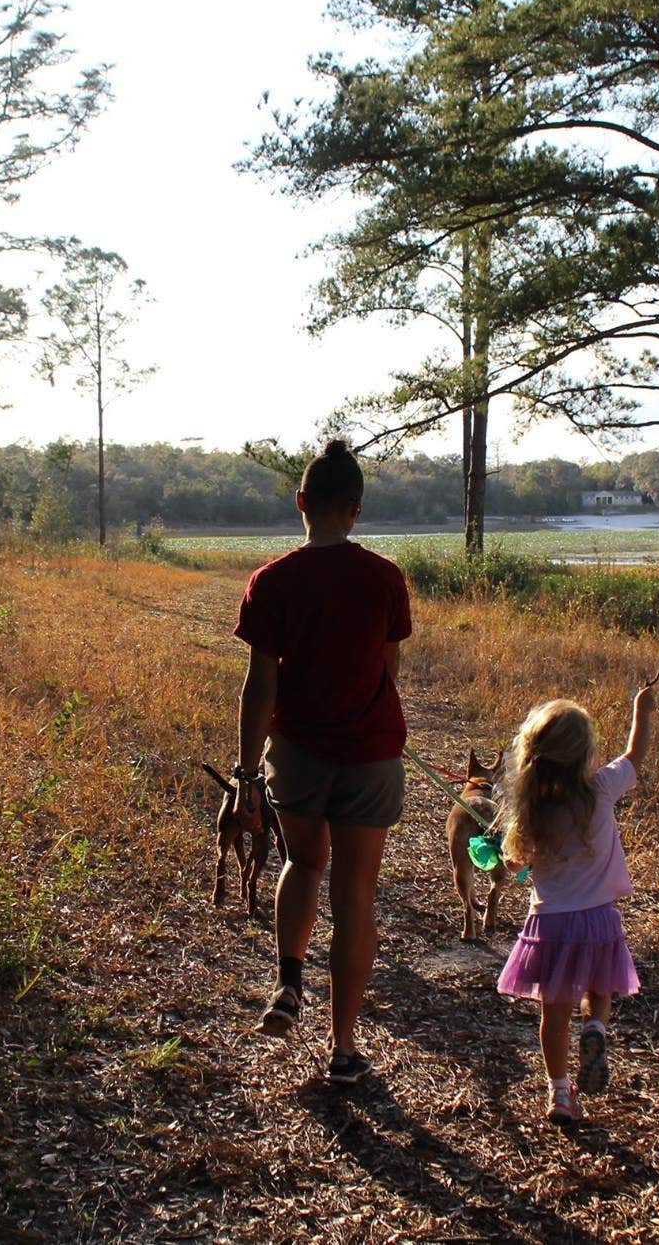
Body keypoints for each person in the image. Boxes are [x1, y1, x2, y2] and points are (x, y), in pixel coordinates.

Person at [233, 439, 412, 1085]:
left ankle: (287, 981)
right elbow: (388, 671)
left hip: (299, 755)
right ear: (356, 509)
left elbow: (261, 685)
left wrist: (248, 770)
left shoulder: (271, 581)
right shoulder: (385, 578)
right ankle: (343, 1049)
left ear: (302, 502)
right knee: (356, 894)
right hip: (369, 757)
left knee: (303, 862)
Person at [496, 686, 654, 1124]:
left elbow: (516, 863)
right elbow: (635, 755)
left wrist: (510, 859)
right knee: (599, 990)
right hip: (599, 919)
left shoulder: (531, 811)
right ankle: (596, 1030)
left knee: (553, 1014)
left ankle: (560, 1094)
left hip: (550, 926)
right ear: (584, 753)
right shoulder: (602, 788)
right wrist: (641, 708)